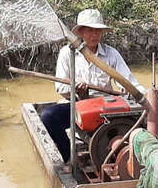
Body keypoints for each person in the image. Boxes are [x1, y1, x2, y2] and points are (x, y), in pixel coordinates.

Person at [40, 8, 145, 163]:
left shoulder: (111, 54)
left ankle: (129, 153)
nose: (95, 35)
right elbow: (61, 87)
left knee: (141, 119)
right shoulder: (67, 53)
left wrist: (144, 95)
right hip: (77, 104)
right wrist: (77, 90)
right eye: (90, 31)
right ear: (81, 32)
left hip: (106, 107)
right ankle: (69, 155)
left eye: (98, 31)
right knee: (48, 116)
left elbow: (127, 82)